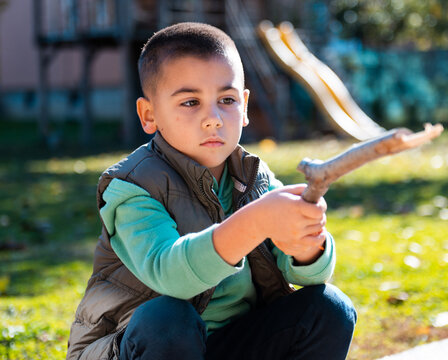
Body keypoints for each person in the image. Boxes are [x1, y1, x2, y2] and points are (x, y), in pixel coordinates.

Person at [66, 22, 356, 360]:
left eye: (227, 99)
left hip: (227, 343)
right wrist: (257, 221)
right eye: (190, 102)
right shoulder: (132, 187)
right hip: (137, 346)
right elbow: (171, 275)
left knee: (329, 307)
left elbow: (311, 274)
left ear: (244, 106)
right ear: (149, 115)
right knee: (168, 319)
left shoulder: (255, 179)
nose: (213, 118)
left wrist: (308, 247)